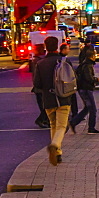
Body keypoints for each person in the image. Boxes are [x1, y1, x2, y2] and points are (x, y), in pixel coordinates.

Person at [31, 36, 74, 166]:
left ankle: (58, 153)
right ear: (57, 46)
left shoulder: (40, 63)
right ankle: (55, 145)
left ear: (45, 46)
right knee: (62, 126)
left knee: (53, 124)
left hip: (48, 99)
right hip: (63, 97)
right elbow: (72, 78)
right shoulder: (64, 61)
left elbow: (37, 83)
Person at [69, 47, 99, 134]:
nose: (96, 56)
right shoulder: (87, 65)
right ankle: (91, 128)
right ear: (92, 56)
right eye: (95, 54)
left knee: (87, 108)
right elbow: (88, 78)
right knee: (93, 109)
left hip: (83, 89)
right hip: (86, 89)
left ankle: (74, 122)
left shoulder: (84, 64)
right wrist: (96, 79)